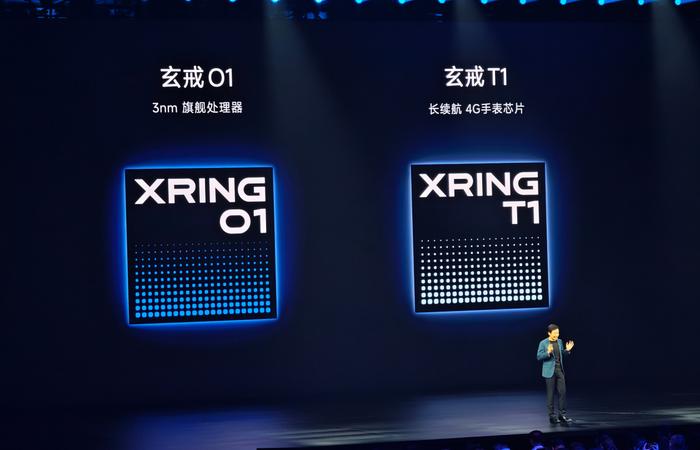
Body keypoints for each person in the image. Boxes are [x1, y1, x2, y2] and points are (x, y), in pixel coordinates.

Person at [536, 323, 574, 424]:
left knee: (562, 392)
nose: (557, 335)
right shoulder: (543, 343)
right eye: (555, 333)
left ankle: (562, 415)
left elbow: (561, 353)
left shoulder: (559, 341)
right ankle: (552, 416)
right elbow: (539, 357)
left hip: (559, 370)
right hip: (549, 371)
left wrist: (567, 350)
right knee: (551, 394)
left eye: (558, 333)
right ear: (549, 333)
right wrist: (548, 352)